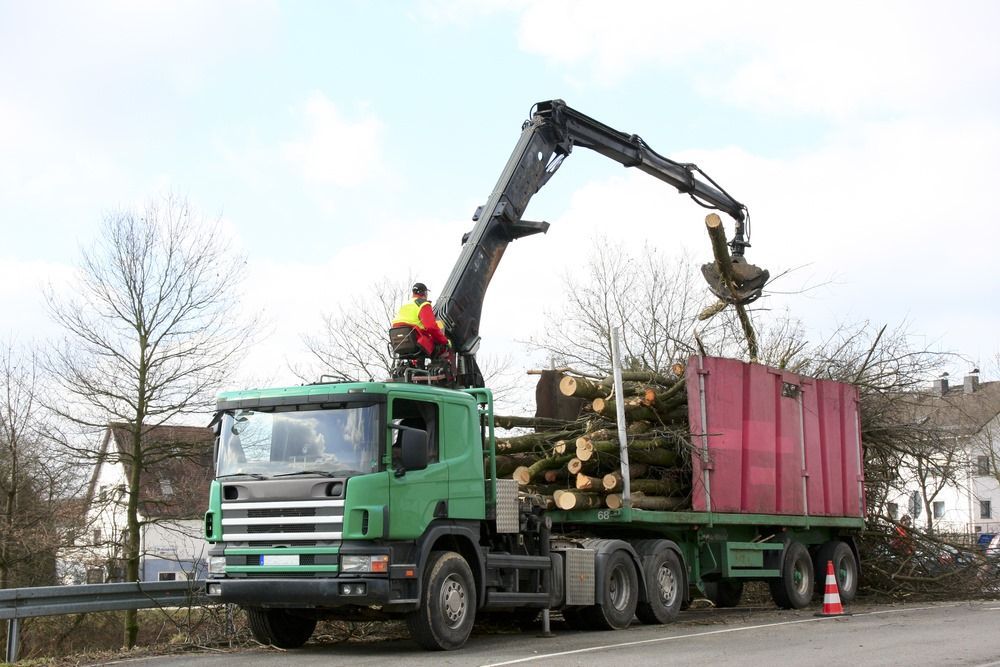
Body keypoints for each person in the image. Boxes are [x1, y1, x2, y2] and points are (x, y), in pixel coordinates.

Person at [392, 282, 450, 360]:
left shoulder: (405, 305)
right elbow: (431, 327)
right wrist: (444, 341)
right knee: (440, 346)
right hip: (416, 341)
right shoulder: (423, 304)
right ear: (425, 293)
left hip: (399, 343)